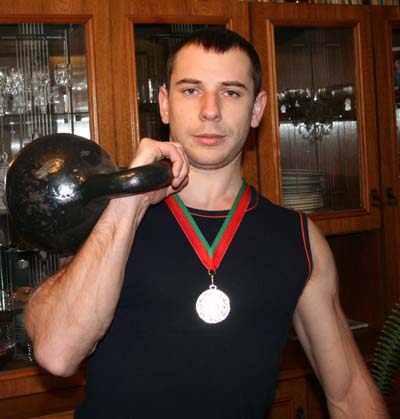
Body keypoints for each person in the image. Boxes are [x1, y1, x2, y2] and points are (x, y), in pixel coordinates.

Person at [24, 29, 389, 419]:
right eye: (191, 90)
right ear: (165, 104)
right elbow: (57, 352)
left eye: (230, 92)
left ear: (257, 109)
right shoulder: (108, 222)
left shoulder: (298, 238)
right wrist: (128, 203)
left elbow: (349, 395)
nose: (210, 110)